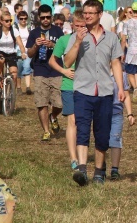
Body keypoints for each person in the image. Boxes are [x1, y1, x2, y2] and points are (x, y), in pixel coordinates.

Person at [63, 0, 125, 186]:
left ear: (100, 15)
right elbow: (67, 62)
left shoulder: (112, 38)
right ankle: (82, 169)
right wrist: (78, 42)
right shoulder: (77, 36)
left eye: (91, 13)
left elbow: (115, 64)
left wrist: (121, 88)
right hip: (83, 90)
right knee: (82, 129)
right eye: (85, 13)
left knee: (102, 133)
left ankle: (99, 171)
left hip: (105, 91)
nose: (87, 16)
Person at [48, 10, 84, 171]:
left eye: (84, 26)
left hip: (87, 86)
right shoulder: (64, 40)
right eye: (78, 26)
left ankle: (82, 151)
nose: (81, 29)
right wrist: (63, 71)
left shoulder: (92, 40)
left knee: (84, 122)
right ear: (72, 25)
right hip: (69, 86)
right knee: (73, 121)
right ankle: (73, 158)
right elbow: (52, 61)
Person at [26, 4, 65, 142]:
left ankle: (53, 116)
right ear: (39, 18)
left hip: (56, 71)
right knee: (41, 103)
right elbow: (29, 54)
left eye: (48, 17)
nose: (46, 20)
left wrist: (53, 45)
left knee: (59, 103)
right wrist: (36, 45)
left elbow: (64, 50)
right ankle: (46, 131)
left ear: (51, 17)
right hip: (40, 70)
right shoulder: (34, 33)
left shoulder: (58, 32)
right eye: (43, 17)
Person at [0, 11, 26, 92]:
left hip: (11, 53)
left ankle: (12, 94)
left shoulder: (14, 30)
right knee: (1, 60)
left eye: (10, 20)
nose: (9, 23)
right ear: (1, 21)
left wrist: (23, 53)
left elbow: (20, 44)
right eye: (7, 21)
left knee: (14, 74)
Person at [121, 2, 137, 97]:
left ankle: (135, 88)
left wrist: (122, 52)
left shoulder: (126, 23)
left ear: (132, 12)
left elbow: (123, 40)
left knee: (130, 72)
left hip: (131, 51)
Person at [15, 10, 33, 94]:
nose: (23, 20)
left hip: (28, 50)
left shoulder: (29, 27)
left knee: (27, 66)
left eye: (25, 18)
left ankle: (28, 87)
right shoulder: (15, 27)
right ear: (18, 19)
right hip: (17, 50)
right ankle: (18, 87)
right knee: (19, 68)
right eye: (21, 19)